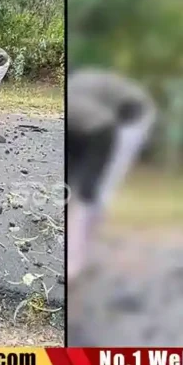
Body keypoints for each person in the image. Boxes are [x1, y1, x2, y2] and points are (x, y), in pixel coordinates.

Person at [67, 68, 156, 283]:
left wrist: (84, 190)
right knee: (73, 183)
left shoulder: (86, 118)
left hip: (131, 117)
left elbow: (101, 135)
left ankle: (78, 258)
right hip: (97, 117)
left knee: (97, 187)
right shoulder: (73, 111)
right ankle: (76, 242)